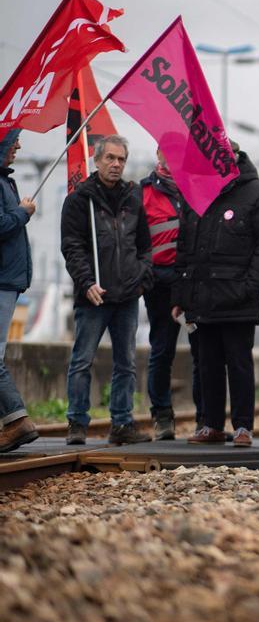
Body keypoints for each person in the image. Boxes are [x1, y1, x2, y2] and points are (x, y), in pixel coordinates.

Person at [173, 143, 259, 447]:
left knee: (238, 363)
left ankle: (243, 427)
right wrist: (181, 294)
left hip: (238, 298)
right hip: (202, 297)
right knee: (206, 364)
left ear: (235, 158)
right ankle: (211, 425)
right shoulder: (197, 191)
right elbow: (185, 247)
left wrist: (250, 286)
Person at [61, 135, 153, 445]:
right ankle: (76, 423)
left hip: (126, 295)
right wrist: (86, 282)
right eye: (110, 158)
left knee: (126, 363)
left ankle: (122, 424)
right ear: (97, 160)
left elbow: (144, 247)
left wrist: (142, 278)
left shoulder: (133, 198)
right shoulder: (79, 200)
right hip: (93, 296)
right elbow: (72, 247)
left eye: (121, 159)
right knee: (82, 360)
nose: (116, 164)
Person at [141, 149, 202, 440]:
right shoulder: (143, 193)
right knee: (162, 350)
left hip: (193, 284)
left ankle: (206, 418)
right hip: (160, 284)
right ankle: (162, 417)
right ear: (158, 154)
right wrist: (145, 273)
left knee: (203, 352)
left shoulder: (197, 189)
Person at [0, 131, 38, 452]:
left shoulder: (5, 181)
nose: (19, 146)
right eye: (13, 140)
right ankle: (15, 421)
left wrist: (20, 214)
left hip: (4, 280)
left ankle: (16, 422)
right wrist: (22, 213)